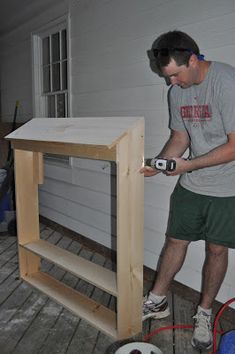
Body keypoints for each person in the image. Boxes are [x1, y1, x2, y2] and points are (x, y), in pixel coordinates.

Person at [140, 30, 235, 351]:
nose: (172, 84)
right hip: (191, 184)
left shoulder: (226, 82)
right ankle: (156, 301)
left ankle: (205, 313)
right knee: (175, 241)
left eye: (176, 75)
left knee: (216, 250)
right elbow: (180, 139)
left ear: (193, 60)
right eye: (168, 77)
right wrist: (161, 162)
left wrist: (187, 165)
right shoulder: (177, 91)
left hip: (228, 187)